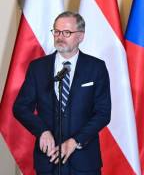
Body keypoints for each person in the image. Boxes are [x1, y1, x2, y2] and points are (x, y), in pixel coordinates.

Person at [13, 11, 112, 175]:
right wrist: (42, 131)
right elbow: (20, 107)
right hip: (48, 160)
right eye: (56, 31)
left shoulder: (96, 68)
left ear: (80, 36)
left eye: (67, 32)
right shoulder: (38, 68)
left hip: (84, 161)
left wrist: (75, 142)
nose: (60, 37)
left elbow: (103, 113)